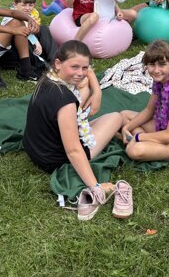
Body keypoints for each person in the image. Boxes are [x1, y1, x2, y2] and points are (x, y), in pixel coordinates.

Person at [23, 41, 132, 221]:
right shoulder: (65, 101)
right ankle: (119, 128)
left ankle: (116, 130)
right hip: (55, 159)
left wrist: (97, 92)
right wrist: (95, 186)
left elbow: (86, 74)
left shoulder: (48, 78)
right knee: (115, 117)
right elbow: (73, 150)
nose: (80, 73)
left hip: (35, 149)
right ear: (58, 63)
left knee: (97, 106)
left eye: (85, 68)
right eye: (74, 67)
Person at [0, 0, 57, 74]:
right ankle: (43, 64)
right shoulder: (11, 16)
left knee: (43, 28)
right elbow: (23, 30)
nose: (28, 8)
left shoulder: (29, 15)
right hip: (12, 51)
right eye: (24, 5)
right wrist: (35, 42)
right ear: (15, 4)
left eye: (31, 5)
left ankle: (55, 59)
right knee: (25, 36)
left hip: (27, 47)